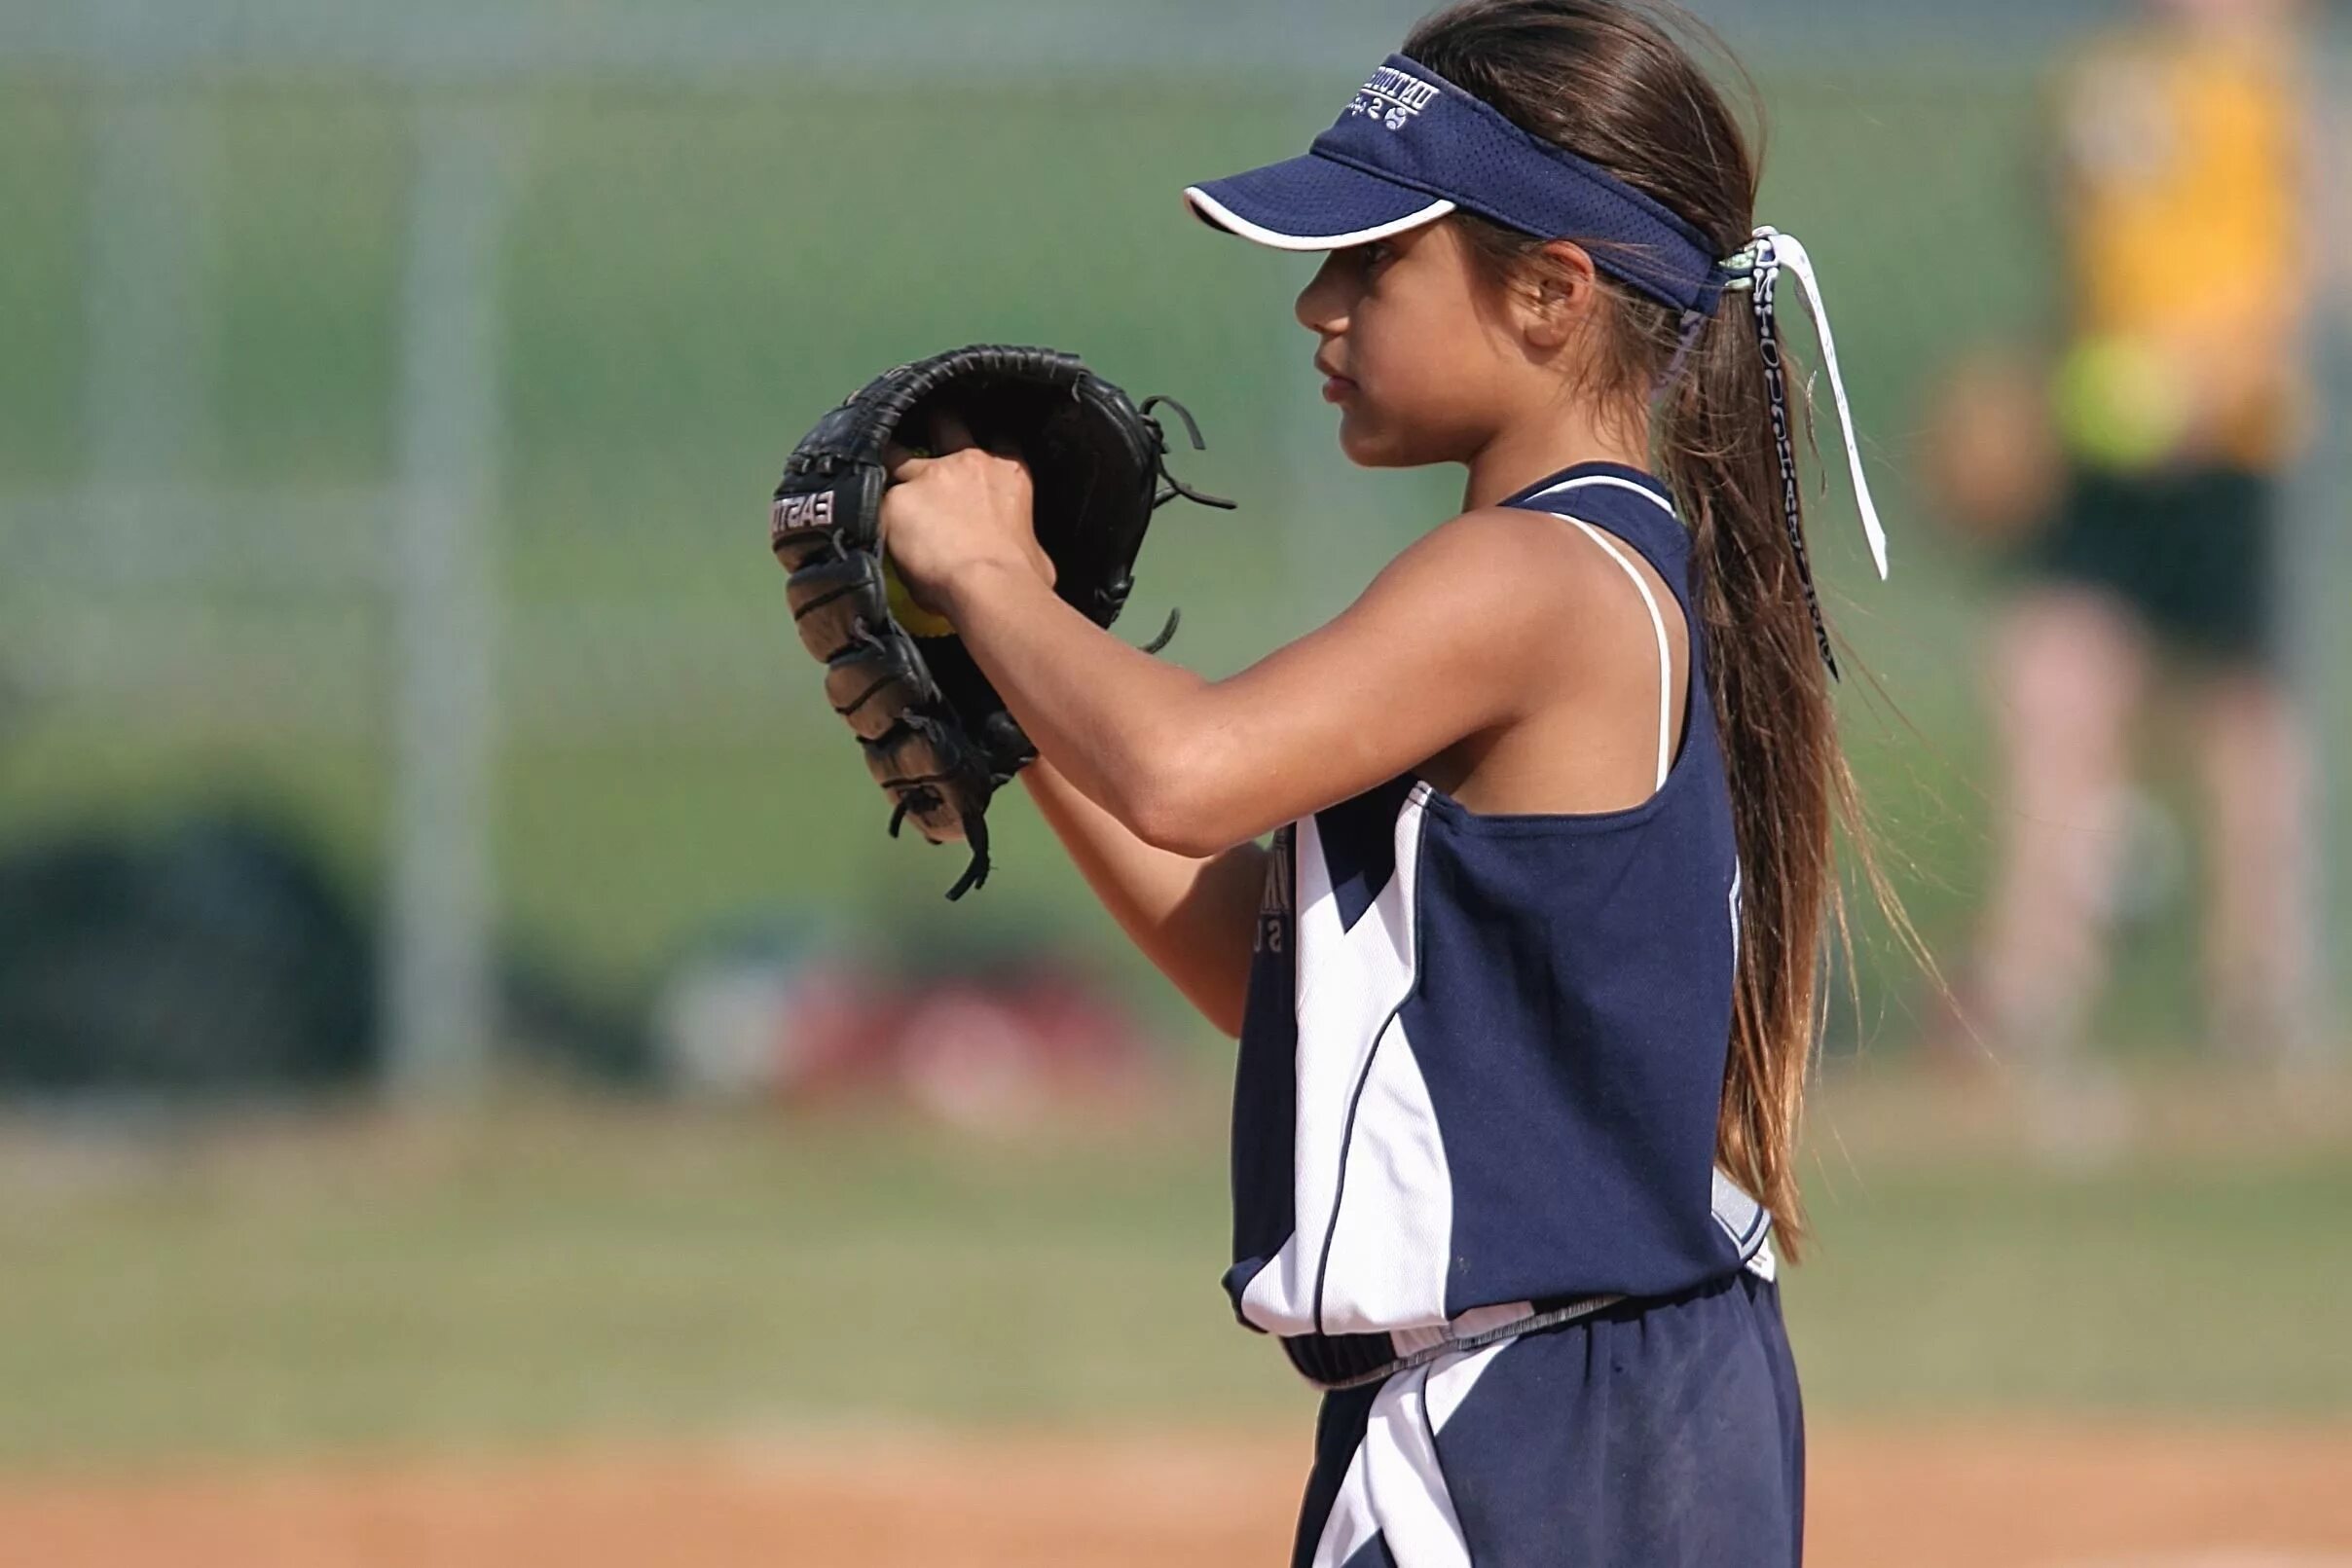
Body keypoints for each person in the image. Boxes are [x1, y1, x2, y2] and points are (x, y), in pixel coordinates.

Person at [880, 2, 1895, 1560]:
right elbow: (1257, 962)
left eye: (1374, 260)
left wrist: (995, 576)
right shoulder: (1550, 569)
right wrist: (1009, 691)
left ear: (1552, 292)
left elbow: (1188, 767)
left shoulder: (1537, 575)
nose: (1320, 305)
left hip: (1551, 1426)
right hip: (1524, 1407)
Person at [1943, 0, 2323, 1102]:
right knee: (2050, 681)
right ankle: (2029, 986)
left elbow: (2309, 270)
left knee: (2243, 726)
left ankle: (2259, 993)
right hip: (2106, 445)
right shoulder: (2112, 79)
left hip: (2241, 454)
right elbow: (2078, 252)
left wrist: (2204, 373)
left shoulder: (2291, 91)